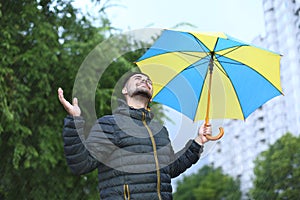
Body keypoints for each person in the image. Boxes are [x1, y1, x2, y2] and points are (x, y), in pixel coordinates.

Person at [58, 72, 212, 200]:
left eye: (148, 81)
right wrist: (74, 120)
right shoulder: (110, 124)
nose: (145, 81)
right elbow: (81, 163)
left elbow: (170, 169)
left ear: (151, 95)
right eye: (138, 79)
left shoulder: (160, 131)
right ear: (125, 90)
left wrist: (198, 141)